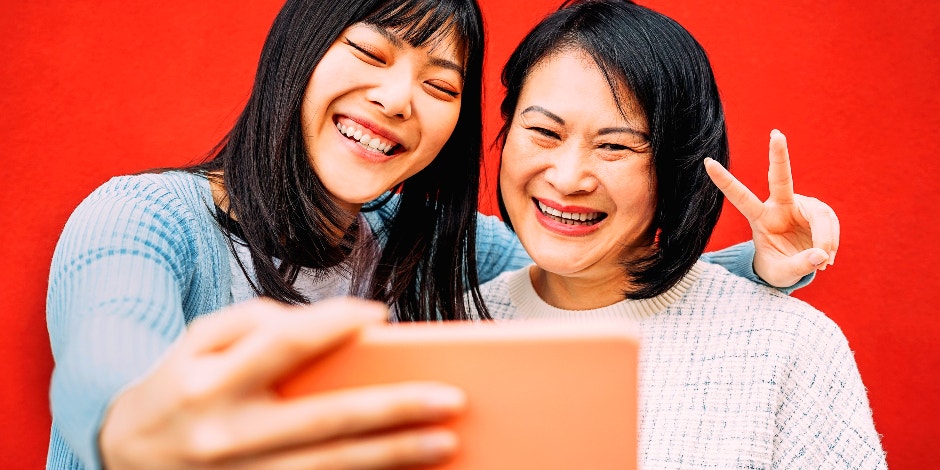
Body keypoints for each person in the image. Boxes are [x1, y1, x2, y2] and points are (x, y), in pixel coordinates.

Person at [46, 0, 839, 468]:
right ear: (296, 52)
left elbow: (589, 275)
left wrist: (766, 269)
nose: (397, 99)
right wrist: (137, 426)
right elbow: (104, 354)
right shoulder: (147, 218)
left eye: (439, 84)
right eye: (369, 52)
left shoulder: (431, 247)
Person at [475, 0, 885, 467]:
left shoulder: (786, 345)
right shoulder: (446, 327)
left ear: (676, 167)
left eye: (614, 145)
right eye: (544, 132)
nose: (569, 179)